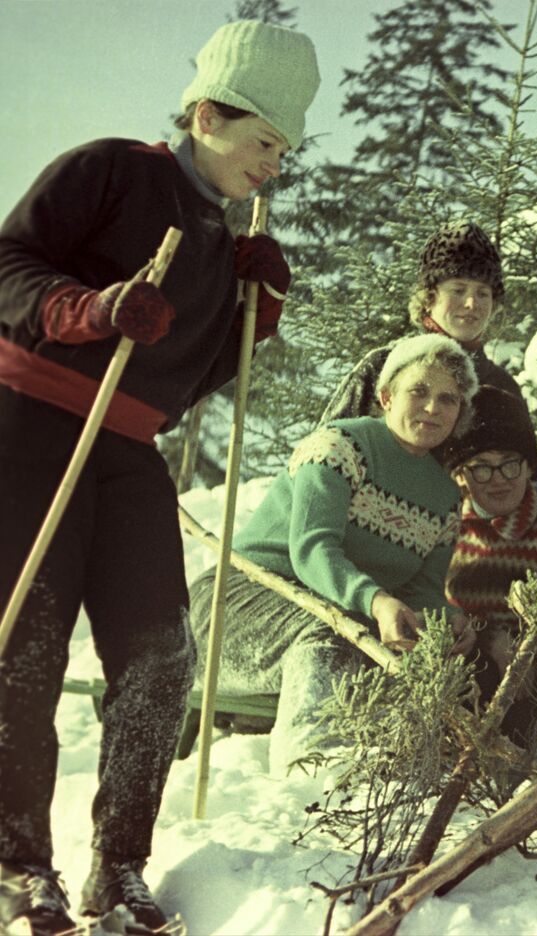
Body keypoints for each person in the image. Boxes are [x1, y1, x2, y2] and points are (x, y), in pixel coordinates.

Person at [0, 20, 319, 934]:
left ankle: (121, 865)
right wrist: (86, 306)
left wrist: (252, 317)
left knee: (160, 654)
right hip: (27, 428)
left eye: (285, 152)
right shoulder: (107, 168)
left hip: (126, 446)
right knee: (28, 644)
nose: (273, 165)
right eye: (264, 143)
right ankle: (20, 864)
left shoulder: (226, 244)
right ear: (210, 114)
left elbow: (196, 373)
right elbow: (7, 261)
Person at [187, 334, 475, 777]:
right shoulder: (340, 446)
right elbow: (313, 548)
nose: (433, 408)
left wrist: (444, 621)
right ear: (385, 396)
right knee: (332, 636)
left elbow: (421, 588)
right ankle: (311, 774)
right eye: (418, 391)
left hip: (337, 614)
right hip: (240, 601)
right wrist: (377, 602)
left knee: (417, 660)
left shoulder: (444, 496)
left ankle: (401, 771)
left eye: (448, 399)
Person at [444, 385, 537, 742]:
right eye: (482, 469)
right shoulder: (444, 531)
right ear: (461, 473)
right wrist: (491, 637)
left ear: (528, 466)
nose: (499, 480)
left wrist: (532, 655)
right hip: (462, 677)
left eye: (510, 464)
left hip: (536, 684)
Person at [319, 220, 522, 426]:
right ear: (429, 297)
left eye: (483, 294)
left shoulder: (502, 385)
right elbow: (324, 448)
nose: (471, 303)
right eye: (458, 290)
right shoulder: (383, 366)